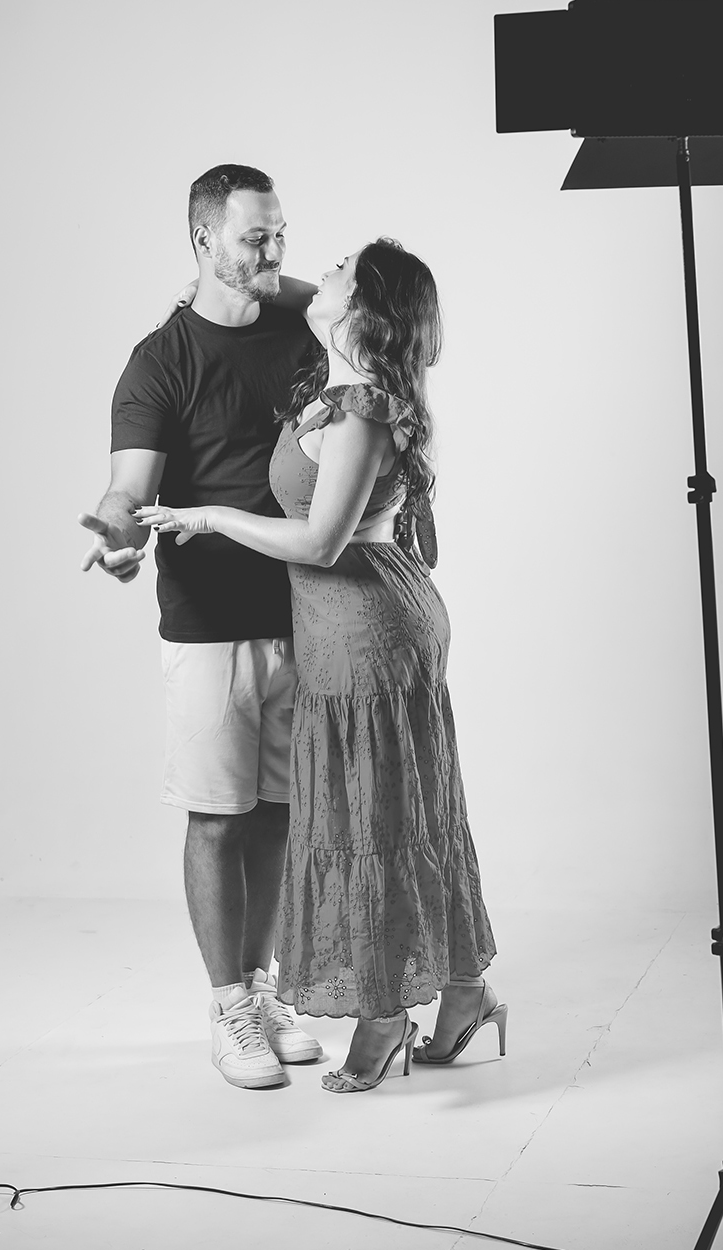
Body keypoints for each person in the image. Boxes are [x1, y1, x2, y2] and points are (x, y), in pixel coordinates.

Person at [137, 238, 503, 1093]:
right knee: (400, 810)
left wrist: (208, 517)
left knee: (375, 818)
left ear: (364, 309)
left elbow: (320, 542)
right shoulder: (345, 391)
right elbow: (300, 292)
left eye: (342, 267)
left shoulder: (361, 410)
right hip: (355, 622)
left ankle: (384, 1015)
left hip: (365, 626)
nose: (321, 269)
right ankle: (463, 994)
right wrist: (222, 275)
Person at [79, 164, 324, 1089]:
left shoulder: (301, 327)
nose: (274, 250)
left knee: (280, 815)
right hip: (209, 623)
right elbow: (126, 489)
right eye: (255, 237)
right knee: (219, 819)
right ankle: (228, 1007)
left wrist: (278, 280)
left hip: (305, 608)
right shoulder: (160, 361)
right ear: (202, 241)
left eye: (279, 232)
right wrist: (116, 537)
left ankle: (264, 990)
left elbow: (338, 296)